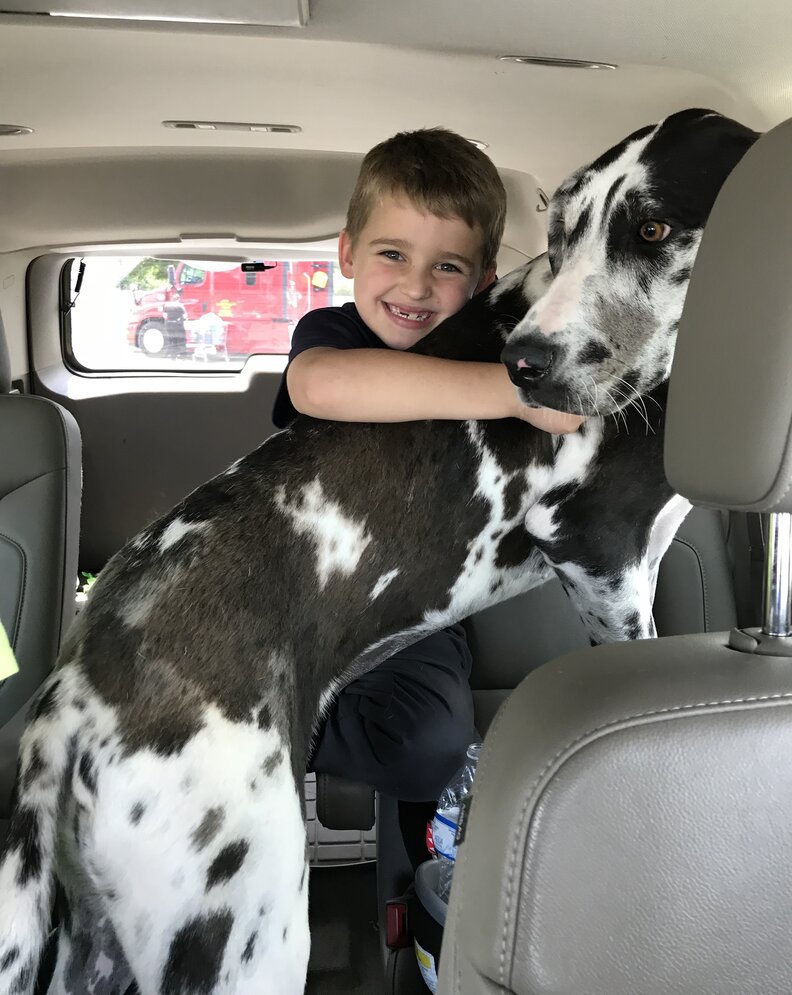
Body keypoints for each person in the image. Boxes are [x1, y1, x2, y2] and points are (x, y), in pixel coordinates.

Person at [272, 127, 583, 865]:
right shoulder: (335, 333)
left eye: (445, 267)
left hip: (417, 608)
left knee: (430, 743)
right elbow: (319, 385)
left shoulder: (493, 349)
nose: (414, 287)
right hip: (300, 596)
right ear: (347, 253)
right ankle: (263, 721)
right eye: (392, 255)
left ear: (480, 281)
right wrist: (510, 395)